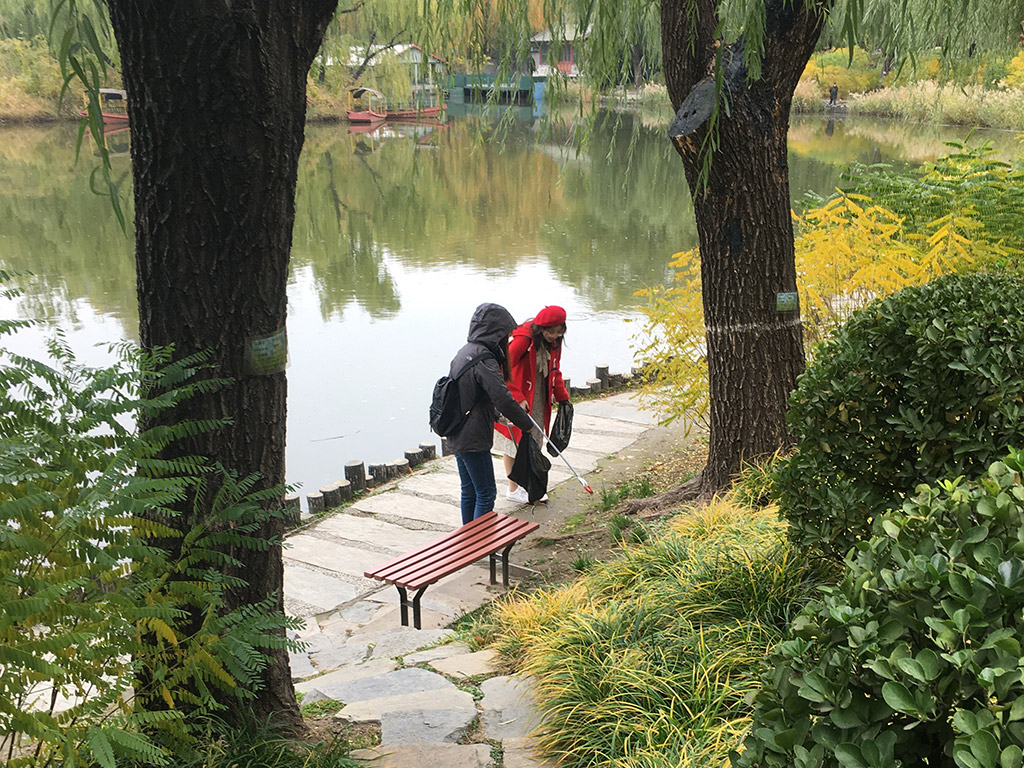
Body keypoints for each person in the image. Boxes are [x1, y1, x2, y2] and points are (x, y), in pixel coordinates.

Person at [445, 303, 541, 525]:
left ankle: (468, 540)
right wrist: (526, 423)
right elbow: (503, 397)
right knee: (486, 493)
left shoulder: (465, 352)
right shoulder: (484, 359)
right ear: (495, 333)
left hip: (456, 431)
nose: (507, 341)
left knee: (469, 490)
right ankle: (478, 546)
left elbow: (475, 395)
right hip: (473, 436)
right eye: (505, 336)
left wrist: (497, 415)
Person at [494, 305, 570, 503]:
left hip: (538, 396)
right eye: (550, 332)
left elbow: (555, 369)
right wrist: (516, 397)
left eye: (558, 331)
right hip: (518, 395)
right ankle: (513, 489)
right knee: (514, 441)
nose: (554, 335)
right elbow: (502, 368)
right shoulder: (523, 340)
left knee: (534, 439)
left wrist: (563, 397)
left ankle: (530, 485)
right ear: (540, 329)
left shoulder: (554, 343)